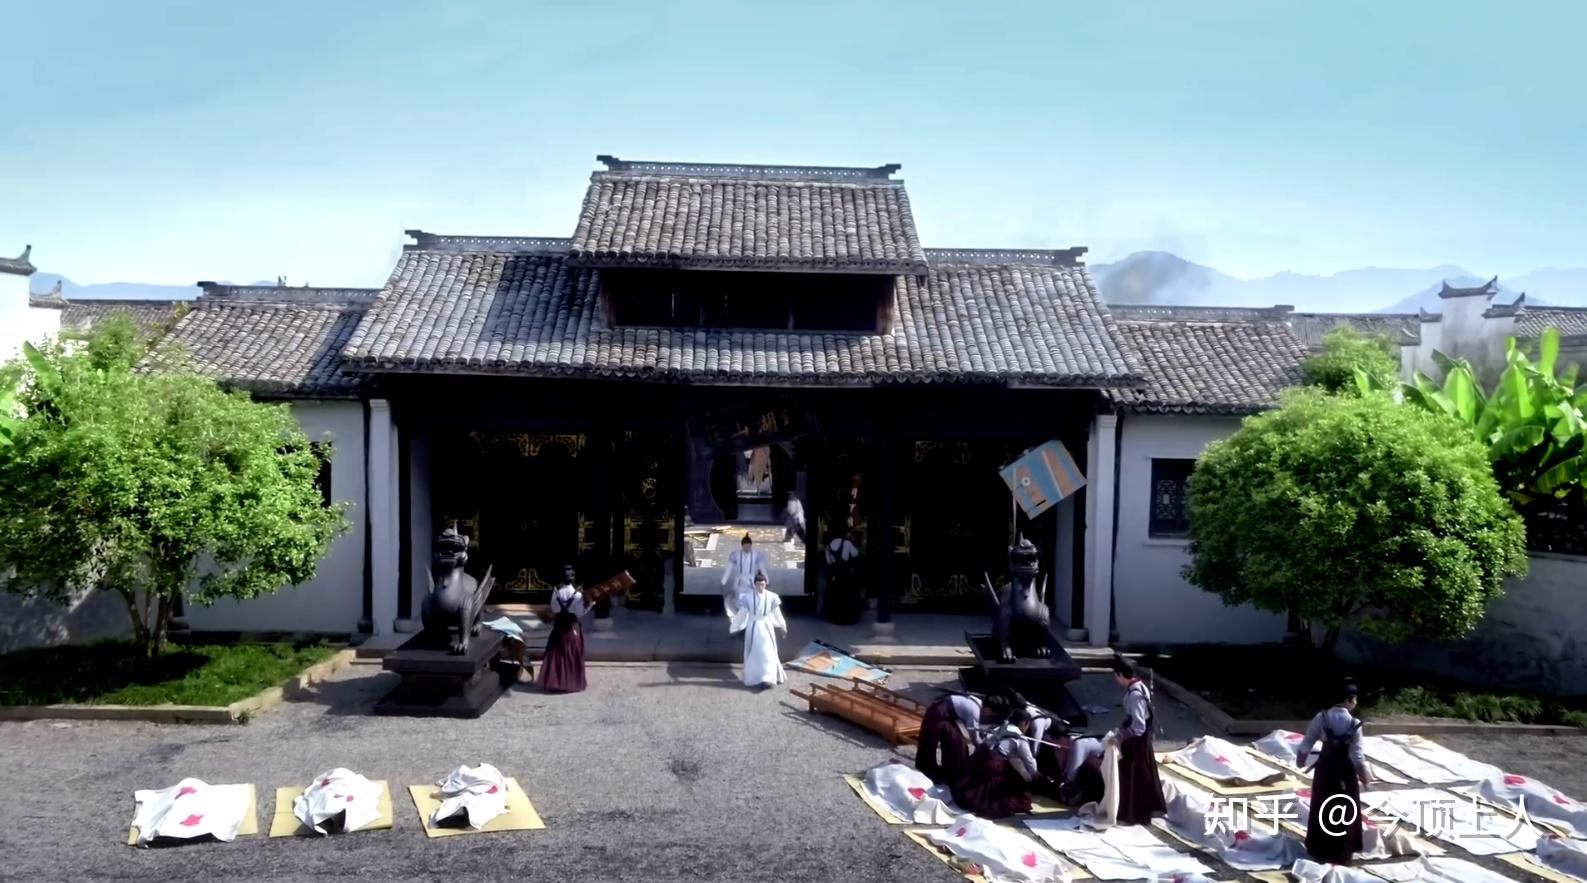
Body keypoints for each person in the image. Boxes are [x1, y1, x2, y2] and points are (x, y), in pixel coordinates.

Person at [1297, 682, 1374, 865]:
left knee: (1322, 805)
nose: (1355, 702)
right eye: (1355, 699)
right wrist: (1364, 778)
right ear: (1349, 700)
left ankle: (1318, 849)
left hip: (1325, 769)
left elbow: (1307, 742)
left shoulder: (1322, 717)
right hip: (1345, 772)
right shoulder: (1354, 723)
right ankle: (1342, 852)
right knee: (1345, 808)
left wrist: (1301, 759)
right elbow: (1357, 756)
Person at [951, 709, 1049, 819]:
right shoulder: (1020, 738)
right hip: (992, 763)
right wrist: (1034, 773)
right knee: (1012, 779)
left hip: (978, 757)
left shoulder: (998, 728)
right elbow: (1029, 760)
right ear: (1024, 723)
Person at [915, 689, 1024, 785]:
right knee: (930, 743)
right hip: (938, 712)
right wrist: (984, 749)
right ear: (989, 709)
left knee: (957, 743)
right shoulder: (974, 712)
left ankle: (949, 771)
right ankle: (927, 771)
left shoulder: (979, 705)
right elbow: (975, 738)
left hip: (949, 718)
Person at [1110, 657, 1166, 825]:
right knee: (1141, 773)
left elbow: (1139, 726)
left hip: (1137, 741)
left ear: (1121, 675)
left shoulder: (1135, 695)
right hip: (1139, 738)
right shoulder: (1138, 686)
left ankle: (1135, 813)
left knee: (1134, 775)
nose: (1116, 679)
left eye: (1116, 675)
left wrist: (1120, 736)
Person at [729, 571, 787, 689]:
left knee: (768, 652)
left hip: (767, 626)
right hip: (753, 626)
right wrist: (734, 627)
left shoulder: (772, 597)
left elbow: (777, 613)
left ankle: (768, 678)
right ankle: (756, 677)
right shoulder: (748, 597)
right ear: (754, 584)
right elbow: (741, 614)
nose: (760, 587)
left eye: (762, 584)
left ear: (765, 584)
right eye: (758, 585)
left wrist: (782, 626)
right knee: (755, 653)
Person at [538, 565, 588, 693]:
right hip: (572, 627)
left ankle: (555, 682)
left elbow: (555, 610)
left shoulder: (556, 593)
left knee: (556, 653)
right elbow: (580, 613)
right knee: (571, 653)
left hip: (559, 627)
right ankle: (570, 683)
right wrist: (590, 606)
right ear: (573, 578)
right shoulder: (578, 595)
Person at [820, 527, 864, 625]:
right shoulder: (847, 543)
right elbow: (855, 554)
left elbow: (828, 561)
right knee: (847, 597)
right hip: (846, 575)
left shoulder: (829, 546)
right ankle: (847, 619)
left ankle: (834, 618)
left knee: (835, 597)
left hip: (835, 575)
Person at [721, 533, 768, 619]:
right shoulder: (735, 555)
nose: (747, 548)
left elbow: (762, 568)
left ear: (751, 545)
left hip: (752, 580)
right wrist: (723, 581)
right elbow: (729, 569)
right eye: (745, 546)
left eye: (748, 546)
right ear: (742, 545)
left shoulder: (757, 555)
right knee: (738, 597)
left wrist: (767, 580)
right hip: (739, 580)